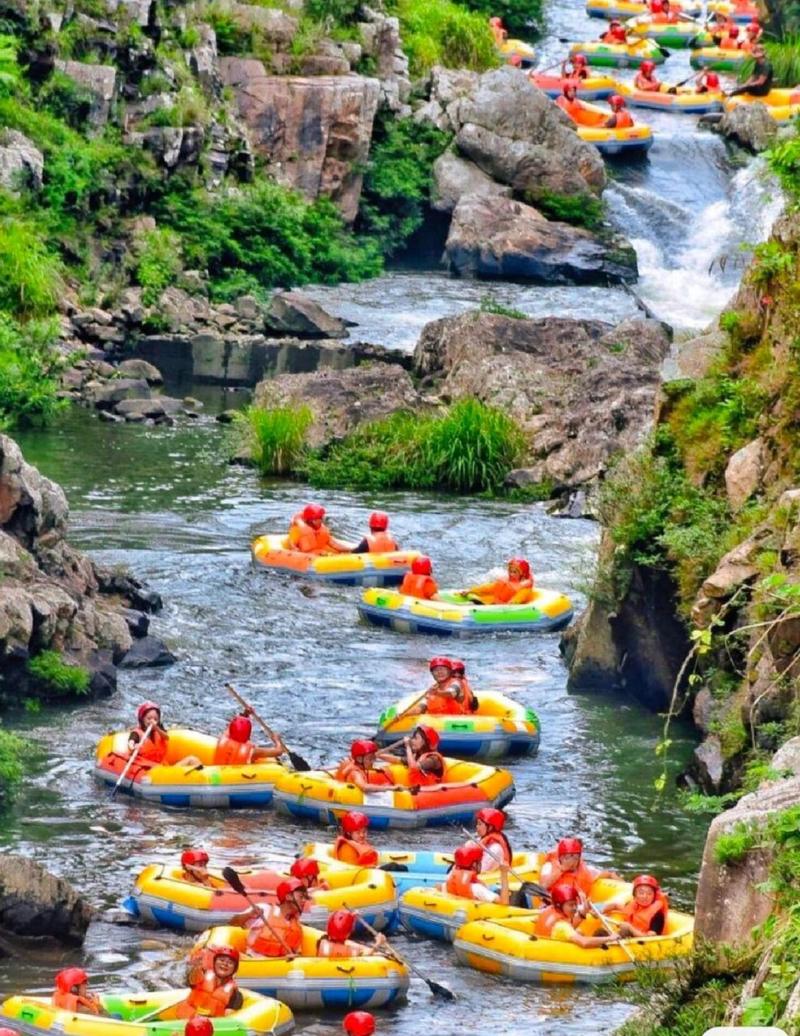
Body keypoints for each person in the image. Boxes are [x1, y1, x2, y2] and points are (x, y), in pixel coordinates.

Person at [534, 881, 621, 948]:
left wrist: (584, 911)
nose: (575, 908)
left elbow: (570, 925)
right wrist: (610, 938)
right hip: (555, 954)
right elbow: (584, 942)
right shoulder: (562, 927)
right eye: (571, 905)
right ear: (559, 905)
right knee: (581, 933)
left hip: (545, 946)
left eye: (575, 904)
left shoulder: (550, 910)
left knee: (580, 931)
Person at [237, 879, 307, 957]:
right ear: (288, 897)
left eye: (305, 897)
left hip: (280, 964)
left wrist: (295, 957)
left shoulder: (296, 923)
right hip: (255, 962)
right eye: (301, 897)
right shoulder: (265, 910)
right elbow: (234, 922)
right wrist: (248, 915)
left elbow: (297, 952)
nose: (304, 900)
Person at [175, 946, 243, 1018]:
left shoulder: (235, 994)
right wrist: (196, 966)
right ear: (214, 963)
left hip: (210, 1024)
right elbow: (191, 979)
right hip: (187, 1018)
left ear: (234, 969)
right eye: (222, 960)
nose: (225, 964)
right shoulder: (202, 975)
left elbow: (229, 1017)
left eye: (230, 963)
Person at [539, 837, 620, 896]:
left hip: (577, 908)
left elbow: (609, 874)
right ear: (561, 857)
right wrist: (560, 871)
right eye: (568, 857)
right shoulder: (549, 867)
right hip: (554, 905)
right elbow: (542, 886)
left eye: (575, 857)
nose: (572, 861)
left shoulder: (585, 870)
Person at [602, 874, 670, 936]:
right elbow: (615, 905)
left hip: (641, 942)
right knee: (601, 932)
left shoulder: (657, 915)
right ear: (635, 895)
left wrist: (630, 928)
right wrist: (599, 909)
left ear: (654, 896)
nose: (645, 896)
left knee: (624, 930)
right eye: (641, 893)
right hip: (628, 936)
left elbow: (650, 938)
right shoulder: (633, 905)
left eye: (649, 894)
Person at [444, 844, 510, 904]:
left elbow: (438, 887)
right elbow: (504, 902)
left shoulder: (449, 879)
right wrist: (504, 873)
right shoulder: (478, 889)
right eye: (479, 861)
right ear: (474, 864)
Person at [213, 713, 285, 765]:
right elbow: (278, 752)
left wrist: (245, 714)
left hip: (217, 777)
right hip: (235, 780)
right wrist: (277, 740)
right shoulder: (252, 752)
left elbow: (230, 727)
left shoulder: (223, 739)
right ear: (248, 735)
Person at [461, 558, 535, 606]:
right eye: (510, 571)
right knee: (475, 599)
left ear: (522, 574)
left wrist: (511, 603)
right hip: (494, 602)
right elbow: (489, 587)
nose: (511, 574)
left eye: (514, 572)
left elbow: (519, 598)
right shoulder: (506, 581)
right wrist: (470, 591)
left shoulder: (525, 589)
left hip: (503, 607)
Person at [335, 739, 401, 791]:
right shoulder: (355, 773)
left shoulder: (356, 764)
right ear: (359, 759)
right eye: (370, 759)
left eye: (374, 758)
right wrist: (391, 788)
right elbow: (364, 787)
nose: (373, 761)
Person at [316, 909, 386, 957]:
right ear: (348, 933)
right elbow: (364, 957)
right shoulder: (346, 951)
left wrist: (351, 917)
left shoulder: (323, 941)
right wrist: (378, 943)